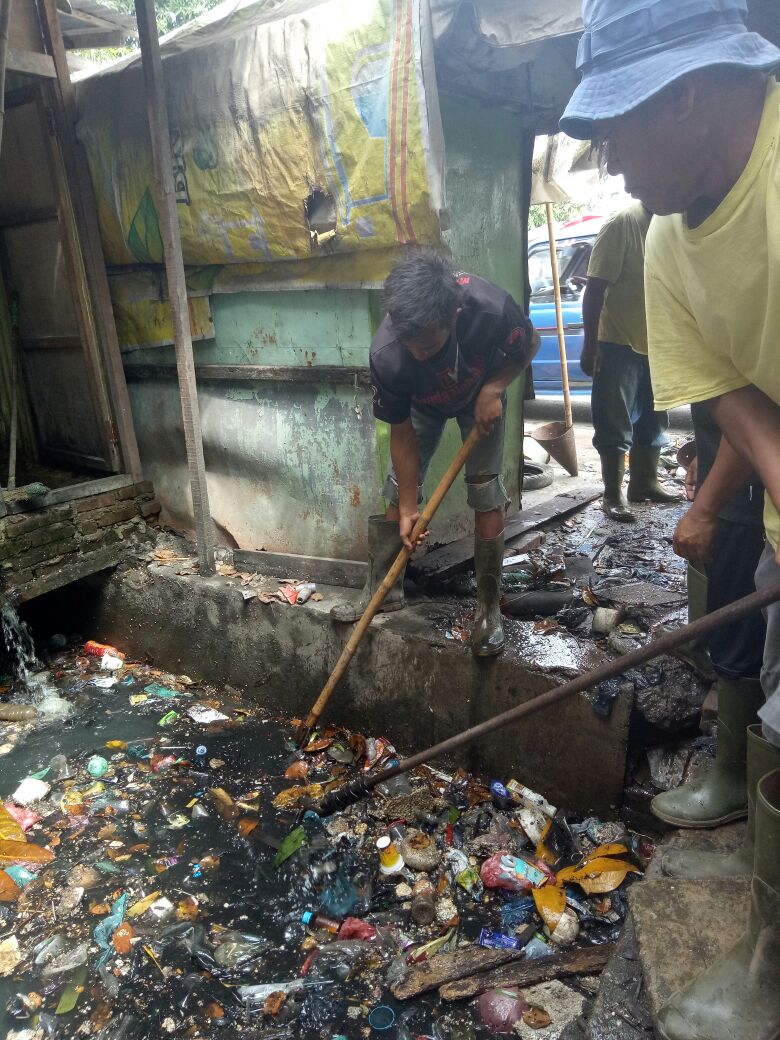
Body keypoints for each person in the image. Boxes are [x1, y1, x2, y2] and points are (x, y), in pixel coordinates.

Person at [560, 2, 780, 1038]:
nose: (610, 163)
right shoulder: (658, 239)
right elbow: (733, 385)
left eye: (615, 132)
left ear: (686, 96)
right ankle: (770, 963)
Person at [331, 253, 539, 657]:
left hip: (481, 392)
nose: (419, 353)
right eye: (411, 345)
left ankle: (487, 610)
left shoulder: (491, 309)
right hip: (423, 405)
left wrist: (495, 389)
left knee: (485, 489)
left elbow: (528, 344)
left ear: (454, 315)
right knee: (397, 490)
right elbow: (402, 433)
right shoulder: (388, 354)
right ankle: (385, 591)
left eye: (428, 343)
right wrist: (409, 505)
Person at [651, 401, 766, 826]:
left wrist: (706, 508)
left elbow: (753, 409)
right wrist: (707, 451)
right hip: (742, 474)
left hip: (750, 492)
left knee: (740, 629)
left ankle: (735, 777)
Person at [581, 202, 677, 520]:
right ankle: (612, 495)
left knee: (654, 417)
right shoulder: (622, 223)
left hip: (657, 343)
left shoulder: (672, 218)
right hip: (617, 342)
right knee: (613, 420)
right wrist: (590, 344)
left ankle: (644, 483)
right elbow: (595, 288)